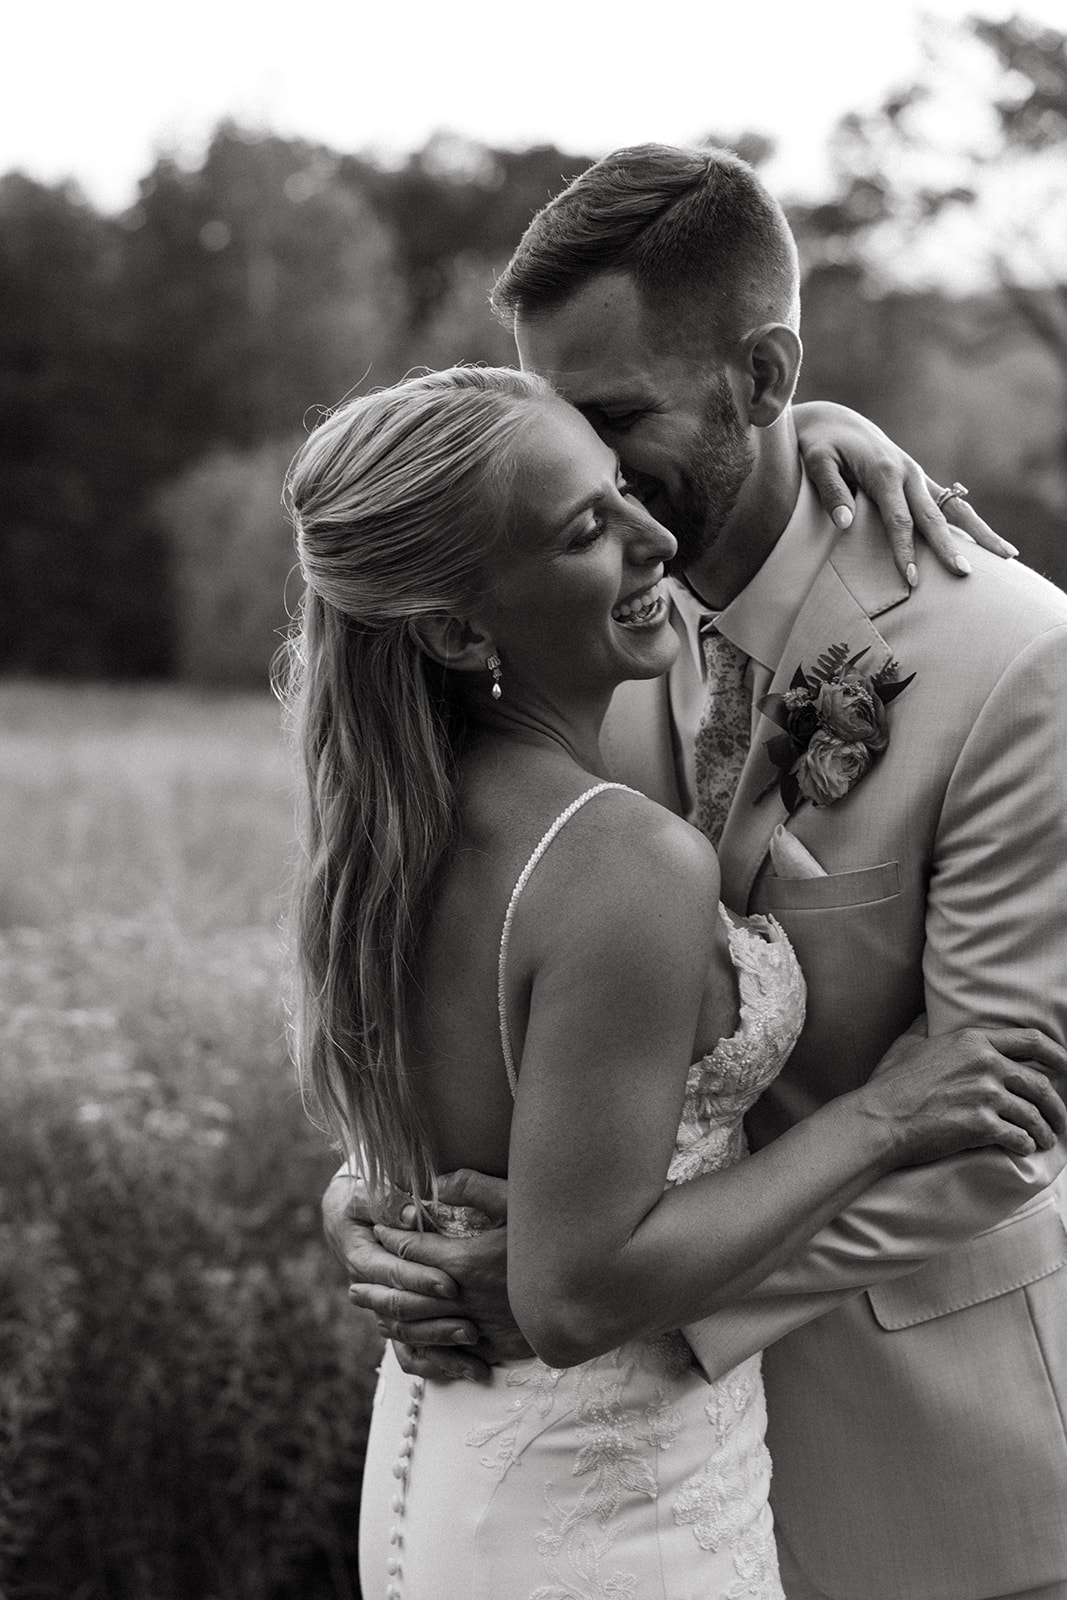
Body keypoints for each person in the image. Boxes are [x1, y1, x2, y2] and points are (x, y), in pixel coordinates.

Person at [331, 146, 1067, 1600]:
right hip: (619, 1479)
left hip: (928, 1473)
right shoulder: (566, 633)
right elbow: (469, 957)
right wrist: (384, 1196)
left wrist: (605, 1297)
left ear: (764, 374)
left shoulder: (1010, 660)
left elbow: (1005, 1101)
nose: (593, 473)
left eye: (612, 419)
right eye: (557, 423)